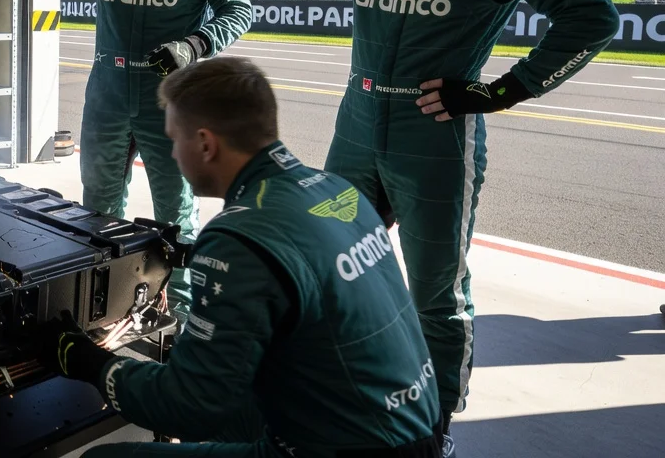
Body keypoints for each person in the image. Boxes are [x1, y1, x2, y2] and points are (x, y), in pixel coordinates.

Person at [279, 0, 618, 455]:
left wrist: (502, 92)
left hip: (433, 140)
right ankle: (345, 395)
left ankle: (431, 427)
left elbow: (591, 16)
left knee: (434, 292)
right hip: (356, 132)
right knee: (331, 267)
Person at [41, 57, 442, 458]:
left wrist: (87, 362)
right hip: (414, 426)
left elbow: (189, 405)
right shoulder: (336, 190)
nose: (173, 155)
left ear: (204, 144)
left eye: (173, 139)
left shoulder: (238, 236)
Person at [42, 0, 252, 321]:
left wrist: (193, 45)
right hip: (108, 93)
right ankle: (107, 308)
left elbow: (239, 10)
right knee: (97, 204)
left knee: (174, 212)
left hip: (170, 99)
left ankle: (182, 319)